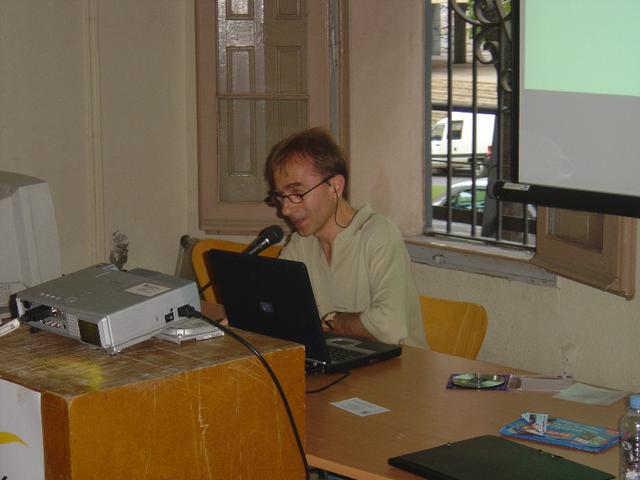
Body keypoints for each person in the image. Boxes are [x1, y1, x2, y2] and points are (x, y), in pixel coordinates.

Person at [264, 127, 427, 348]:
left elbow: (389, 327)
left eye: (297, 193)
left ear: (335, 186)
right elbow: (276, 305)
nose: (286, 209)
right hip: (339, 358)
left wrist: (334, 322)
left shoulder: (378, 233)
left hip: (400, 364)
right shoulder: (300, 244)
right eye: (281, 196)